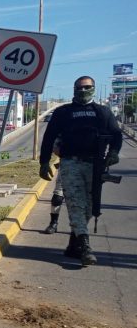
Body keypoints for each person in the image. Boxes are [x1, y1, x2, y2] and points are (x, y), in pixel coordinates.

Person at [39, 76, 122, 266]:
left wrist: (114, 153)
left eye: (87, 87)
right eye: (79, 88)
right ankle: (85, 247)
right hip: (71, 163)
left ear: (93, 88)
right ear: (74, 89)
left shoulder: (102, 112)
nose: (83, 91)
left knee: (91, 206)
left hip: (95, 165)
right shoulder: (63, 112)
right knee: (76, 203)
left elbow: (116, 135)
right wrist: (44, 162)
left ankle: (73, 245)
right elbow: (49, 137)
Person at [43, 138, 64, 234]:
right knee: (57, 198)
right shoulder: (69, 125)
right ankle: (53, 223)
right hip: (67, 165)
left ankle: (79, 231)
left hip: (88, 167)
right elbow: (53, 142)